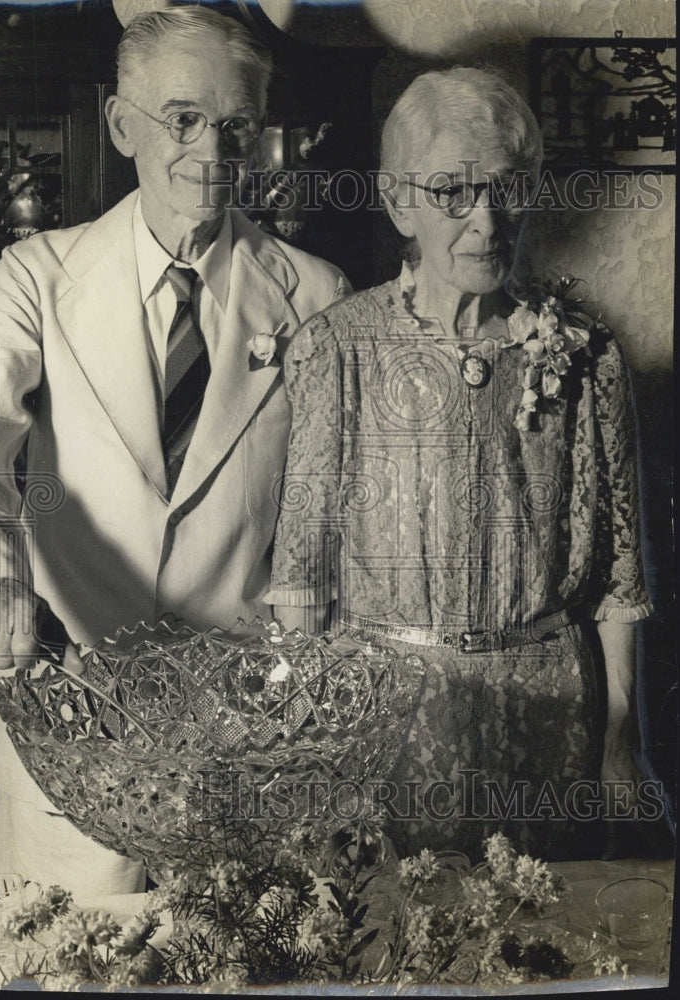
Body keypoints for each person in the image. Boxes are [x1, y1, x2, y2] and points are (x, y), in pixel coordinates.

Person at [0, 7, 349, 897]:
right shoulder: (36, 273)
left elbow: (336, 509)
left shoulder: (316, 295)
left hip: (247, 753)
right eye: (183, 119)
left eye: (236, 125)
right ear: (121, 125)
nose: (212, 151)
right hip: (71, 741)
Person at [267, 68, 652, 861]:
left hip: (552, 714)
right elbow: (301, 579)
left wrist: (619, 743)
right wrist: (304, 760)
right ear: (398, 200)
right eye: (451, 191)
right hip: (390, 717)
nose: (485, 222)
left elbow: (619, 582)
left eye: (507, 190)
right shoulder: (337, 348)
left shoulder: (587, 353)